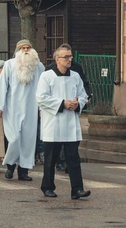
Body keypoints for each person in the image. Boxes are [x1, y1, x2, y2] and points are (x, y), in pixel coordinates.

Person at [36, 44, 90, 199]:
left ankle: (77, 189)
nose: (70, 59)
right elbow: (41, 98)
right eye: (66, 57)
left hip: (70, 123)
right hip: (53, 123)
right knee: (50, 159)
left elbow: (83, 94)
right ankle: (47, 186)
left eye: (71, 56)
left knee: (73, 158)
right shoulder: (47, 76)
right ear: (57, 59)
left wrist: (77, 103)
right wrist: (62, 103)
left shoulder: (75, 76)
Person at [0, 39, 45, 181]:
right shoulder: (9, 65)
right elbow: (2, 86)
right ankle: (10, 166)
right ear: (18, 51)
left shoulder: (38, 67)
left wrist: (42, 108)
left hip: (31, 108)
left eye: (28, 48)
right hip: (12, 107)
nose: (26, 50)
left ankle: (23, 171)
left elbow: (43, 88)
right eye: (23, 48)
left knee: (28, 140)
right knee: (14, 139)